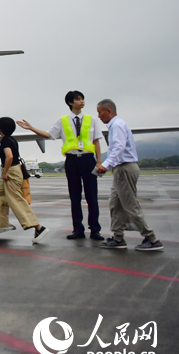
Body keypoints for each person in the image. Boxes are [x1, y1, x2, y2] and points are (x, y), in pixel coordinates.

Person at [17, 91, 104, 240]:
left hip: (88, 159)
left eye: (82, 99)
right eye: (78, 99)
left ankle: (95, 230)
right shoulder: (62, 120)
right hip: (71, 161)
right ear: (70, 102)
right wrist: (31, 128)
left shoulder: (92, 120)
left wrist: (99, 161)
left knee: (92, 197)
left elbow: (96, 141)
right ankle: (78, 229)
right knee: (75, 197)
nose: (82, 101)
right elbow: (48, 135)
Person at [96, 99, 163, 251]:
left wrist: (106, 165)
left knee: (129, 205)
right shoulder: (116, 125)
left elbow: (118, 148)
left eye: (100, 112)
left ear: (108, 111)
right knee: (115, 203)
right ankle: (118, 237)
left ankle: (151, 239)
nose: (99, 116)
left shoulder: (117, 125)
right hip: (121, 168)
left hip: (124, 168)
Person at [0, 117, 49, 243]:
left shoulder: (5, 141)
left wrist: (5, 173)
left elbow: (9, 157)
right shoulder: (11, 140)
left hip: (10, 172)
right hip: (13, 171)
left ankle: (38, 227)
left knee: (16, 200)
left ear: (0, 128)